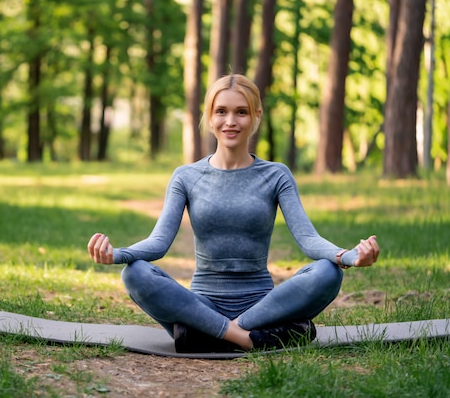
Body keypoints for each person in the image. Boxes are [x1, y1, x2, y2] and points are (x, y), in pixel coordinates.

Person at [87, 74, 380, 353]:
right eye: (221, 111)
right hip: (200, 304)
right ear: (209, 116)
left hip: (262, 306)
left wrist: (348, 256)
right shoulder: (186, 176)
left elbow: (308, 240)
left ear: (256, 116)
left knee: (328, 272)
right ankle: (248, 339)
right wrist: (118, 254)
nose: (230, 121)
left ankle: (209, 335)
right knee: (136, 273)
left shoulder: (276, 175)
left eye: (241, 112)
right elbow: (158, 243)